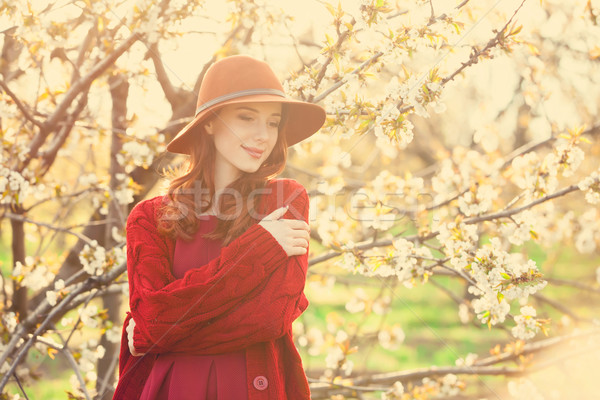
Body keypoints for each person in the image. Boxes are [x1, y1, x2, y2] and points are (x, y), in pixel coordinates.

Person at [112, 55, 326, 400]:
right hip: (173, 389)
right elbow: (151, 317)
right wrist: (260, 248)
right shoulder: (149, 217)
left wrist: (152, 336)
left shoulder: (284, 201)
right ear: (209, 123)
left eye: (273, 123)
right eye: (246, 118)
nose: (263, 136)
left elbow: (269, 319)